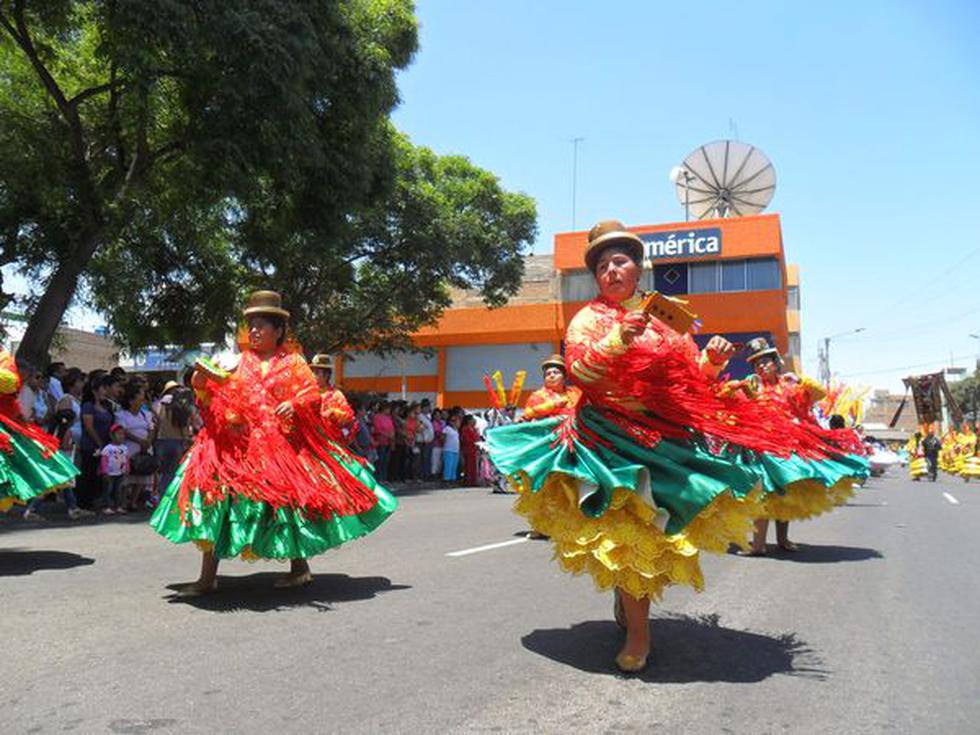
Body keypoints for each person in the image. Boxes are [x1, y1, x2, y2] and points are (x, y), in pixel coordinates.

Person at [486, 219, 868, 673]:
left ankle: (631, 605)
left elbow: (691, 382)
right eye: (603, 265)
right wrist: (614, 341)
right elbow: (581, 374)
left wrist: (711, 361)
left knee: (657, 534)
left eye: (620, 261)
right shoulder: (587, 320)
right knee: (629, 537)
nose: (611, 270)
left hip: (664, 438)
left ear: (637, 267)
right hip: (606, 440)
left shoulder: (667, 318)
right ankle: (639, 632)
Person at [150, 290, 397, 595]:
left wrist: (294, 403)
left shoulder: (294, 363)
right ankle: (207, 577)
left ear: (278, 331)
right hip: (240, 447)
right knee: (217, 498)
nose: (254, 330)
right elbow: (218, 395)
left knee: (290, 505)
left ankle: (299, 568)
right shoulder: (238, 363)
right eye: (251, 325)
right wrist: (202, 386)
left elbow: (311, 396)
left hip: (282, 447)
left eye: (261, 325)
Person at [731, 337, 867, 556]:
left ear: (776, 363)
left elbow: (819, 393)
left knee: (784, 494)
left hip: (785, 448)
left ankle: (783, 540)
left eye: (766, 361)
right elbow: (733, 404)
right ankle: (758, 545)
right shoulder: (752, 388)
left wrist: (799, 379)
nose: (762, 366)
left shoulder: (789, 386)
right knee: (762, 494)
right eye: (757, 363)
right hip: (760, 450)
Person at [0, 349, 79, 514]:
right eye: (29, 376)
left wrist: (20, 420)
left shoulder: (10, 371)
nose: (28, 380)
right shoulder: (9, 373)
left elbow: (12, 405)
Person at [116, 379, 157, 511]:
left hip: (144, 447)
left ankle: (133, 501)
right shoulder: (122, 414)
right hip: (130, 447)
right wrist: (139, 441)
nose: (142, 398)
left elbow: (151, 428)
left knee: (142, 475)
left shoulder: (146, 414)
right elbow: (123, 430)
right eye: (140, 395)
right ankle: (123, 502)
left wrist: (148, 441)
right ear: (131, 400)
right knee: (127, 476)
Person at [78, 374, 117, 508]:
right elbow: (89, 426)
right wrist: (99, 442)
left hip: (106, 444)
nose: (105, 392)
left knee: (102, 474)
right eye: (103, 388)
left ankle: (98, 499)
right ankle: (85, 502)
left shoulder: (107, 406)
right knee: (89, 472)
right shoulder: (88, 406)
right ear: (95, 390)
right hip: (91, 445)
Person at [153, 381, 194, 505]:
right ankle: (170, 500)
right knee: (173, 472)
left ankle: (161, 497)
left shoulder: (159, 405)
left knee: (163, 472)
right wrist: (187, 441)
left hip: (161, 441)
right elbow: (184, 429)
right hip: (177, 442)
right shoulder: (181, 407)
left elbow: (156, 422)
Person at [521, 355, 582, 421]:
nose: (552, 375)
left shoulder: (575, 392)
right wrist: (553, 405)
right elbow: (527, 414)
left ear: (564, 377)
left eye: (556, 372)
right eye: (548, 374)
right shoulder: (538, 395)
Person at [309, 354, 355, 433]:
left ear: (326, 375)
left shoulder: (336, 395)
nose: (313, 375)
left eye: (316, 373)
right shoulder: (307, 393)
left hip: (328, 440)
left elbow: (349, 419)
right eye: (312, 372)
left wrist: (333, 412)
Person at [97, 424, 130, 514]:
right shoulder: (108, 448)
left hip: (120, 472)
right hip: (110, 473)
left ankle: (118, 506)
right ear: (112, 435)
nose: (121, 436)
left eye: (123, 434)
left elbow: (126, 459)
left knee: (118, 490)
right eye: (118, 434)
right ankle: (107, 506)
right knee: (108, 490)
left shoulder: (125, 448)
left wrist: (127, 468)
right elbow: (104, 460)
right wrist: (105, 472)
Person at [372, 403, 395, 481]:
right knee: (380, 461)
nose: (389, 410)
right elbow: (377, 429)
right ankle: (379, 478)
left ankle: (384, 478)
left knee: (386, 461)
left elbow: (392, 428)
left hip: (388, 441)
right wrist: (387, 435)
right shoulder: (377, 417)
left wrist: (392, 436)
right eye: (388, 409)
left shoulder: (389, 417)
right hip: (381, 442)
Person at [460, 415, 480, 486]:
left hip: (473, 449)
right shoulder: (465, 429)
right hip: (468, 449)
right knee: (468, 466)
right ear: (468, 421)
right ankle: (468, 481)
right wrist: (474, 442)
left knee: (474, 466)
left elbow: (477, 437)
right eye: (472, 419)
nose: (473, 421)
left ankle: (473, 481)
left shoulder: (473, 429)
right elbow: (466, 439)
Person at [441, 414, 460, 483]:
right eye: (453, 421)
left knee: (454, 465)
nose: (454, 422)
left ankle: (452, 478)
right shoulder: (447, 429)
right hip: (448, 449)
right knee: (448, 465)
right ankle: (447, 479)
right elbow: (442, 438)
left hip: (455, 450)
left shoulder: (456, 430)